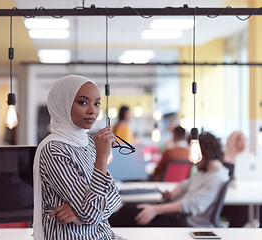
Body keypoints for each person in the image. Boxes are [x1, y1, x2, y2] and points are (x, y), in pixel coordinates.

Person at [33, 75, 123, 240]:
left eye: (96, 103)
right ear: (63, 104)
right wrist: (101, 158)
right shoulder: (54, 149)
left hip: (102, 236)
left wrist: (83, 217)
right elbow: (93, 213)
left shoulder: (87, 143)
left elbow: (115, 198)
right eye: (83, 102)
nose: (92, 110)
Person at [109, 132, 230, 228]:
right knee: (130, 210)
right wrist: (173, 194)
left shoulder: (217, 177)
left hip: (184, 223)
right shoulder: (206, 171)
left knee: (131, 212)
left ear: (204, 153)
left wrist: (155, 210)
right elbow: (186, 184)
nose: (194, 161)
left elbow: (192, 205)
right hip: (177, 215)